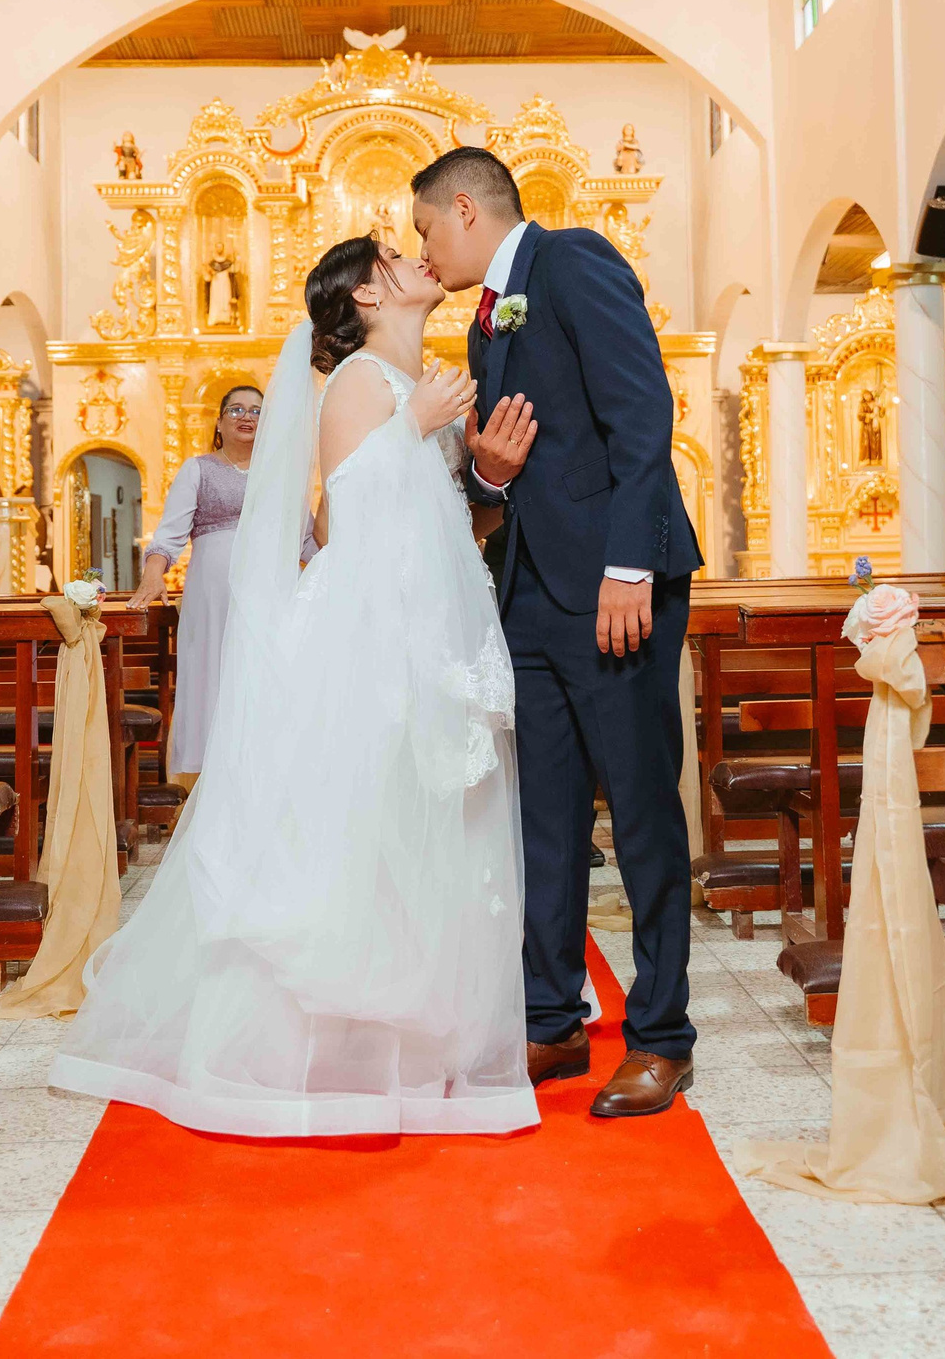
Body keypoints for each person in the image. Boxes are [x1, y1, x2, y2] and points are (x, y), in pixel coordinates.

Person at [49, 234, 538, 1138]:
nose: (419, 258)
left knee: (418, 828)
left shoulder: (413, 380)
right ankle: (334, 1050)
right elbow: (349, 514)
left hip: (427, 617)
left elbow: (437, 519)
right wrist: (415, 426)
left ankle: (417, 1044)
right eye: (397, 255)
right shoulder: (359, 384)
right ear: (362, 294)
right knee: (361, 831)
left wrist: (483, 473)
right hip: (372, 631)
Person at [413, 144, 703, 1120]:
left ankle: (662, 1035)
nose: (422, 250)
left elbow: (640, 411)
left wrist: (631, 565)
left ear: (463, 208)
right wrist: (486, 479)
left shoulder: (573, 260)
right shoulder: (485, 326)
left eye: (423, 229)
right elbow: (503, 471)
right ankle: (552, 1018)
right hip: (530, 597)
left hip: (614, 589)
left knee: (640, 810)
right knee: (540, 818)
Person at [128, 385, 268, 786]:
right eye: (237, 409)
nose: (246, 416)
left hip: (266, 594)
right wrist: (153, 573)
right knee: (213, 675)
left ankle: (258, 778)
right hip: (212, 596)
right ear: (220, 422)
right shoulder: (199, 469)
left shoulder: (278, 473)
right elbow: (169, 536)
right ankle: (209, 786)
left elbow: (306, 539)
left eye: (257, 411)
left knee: (261, 676)